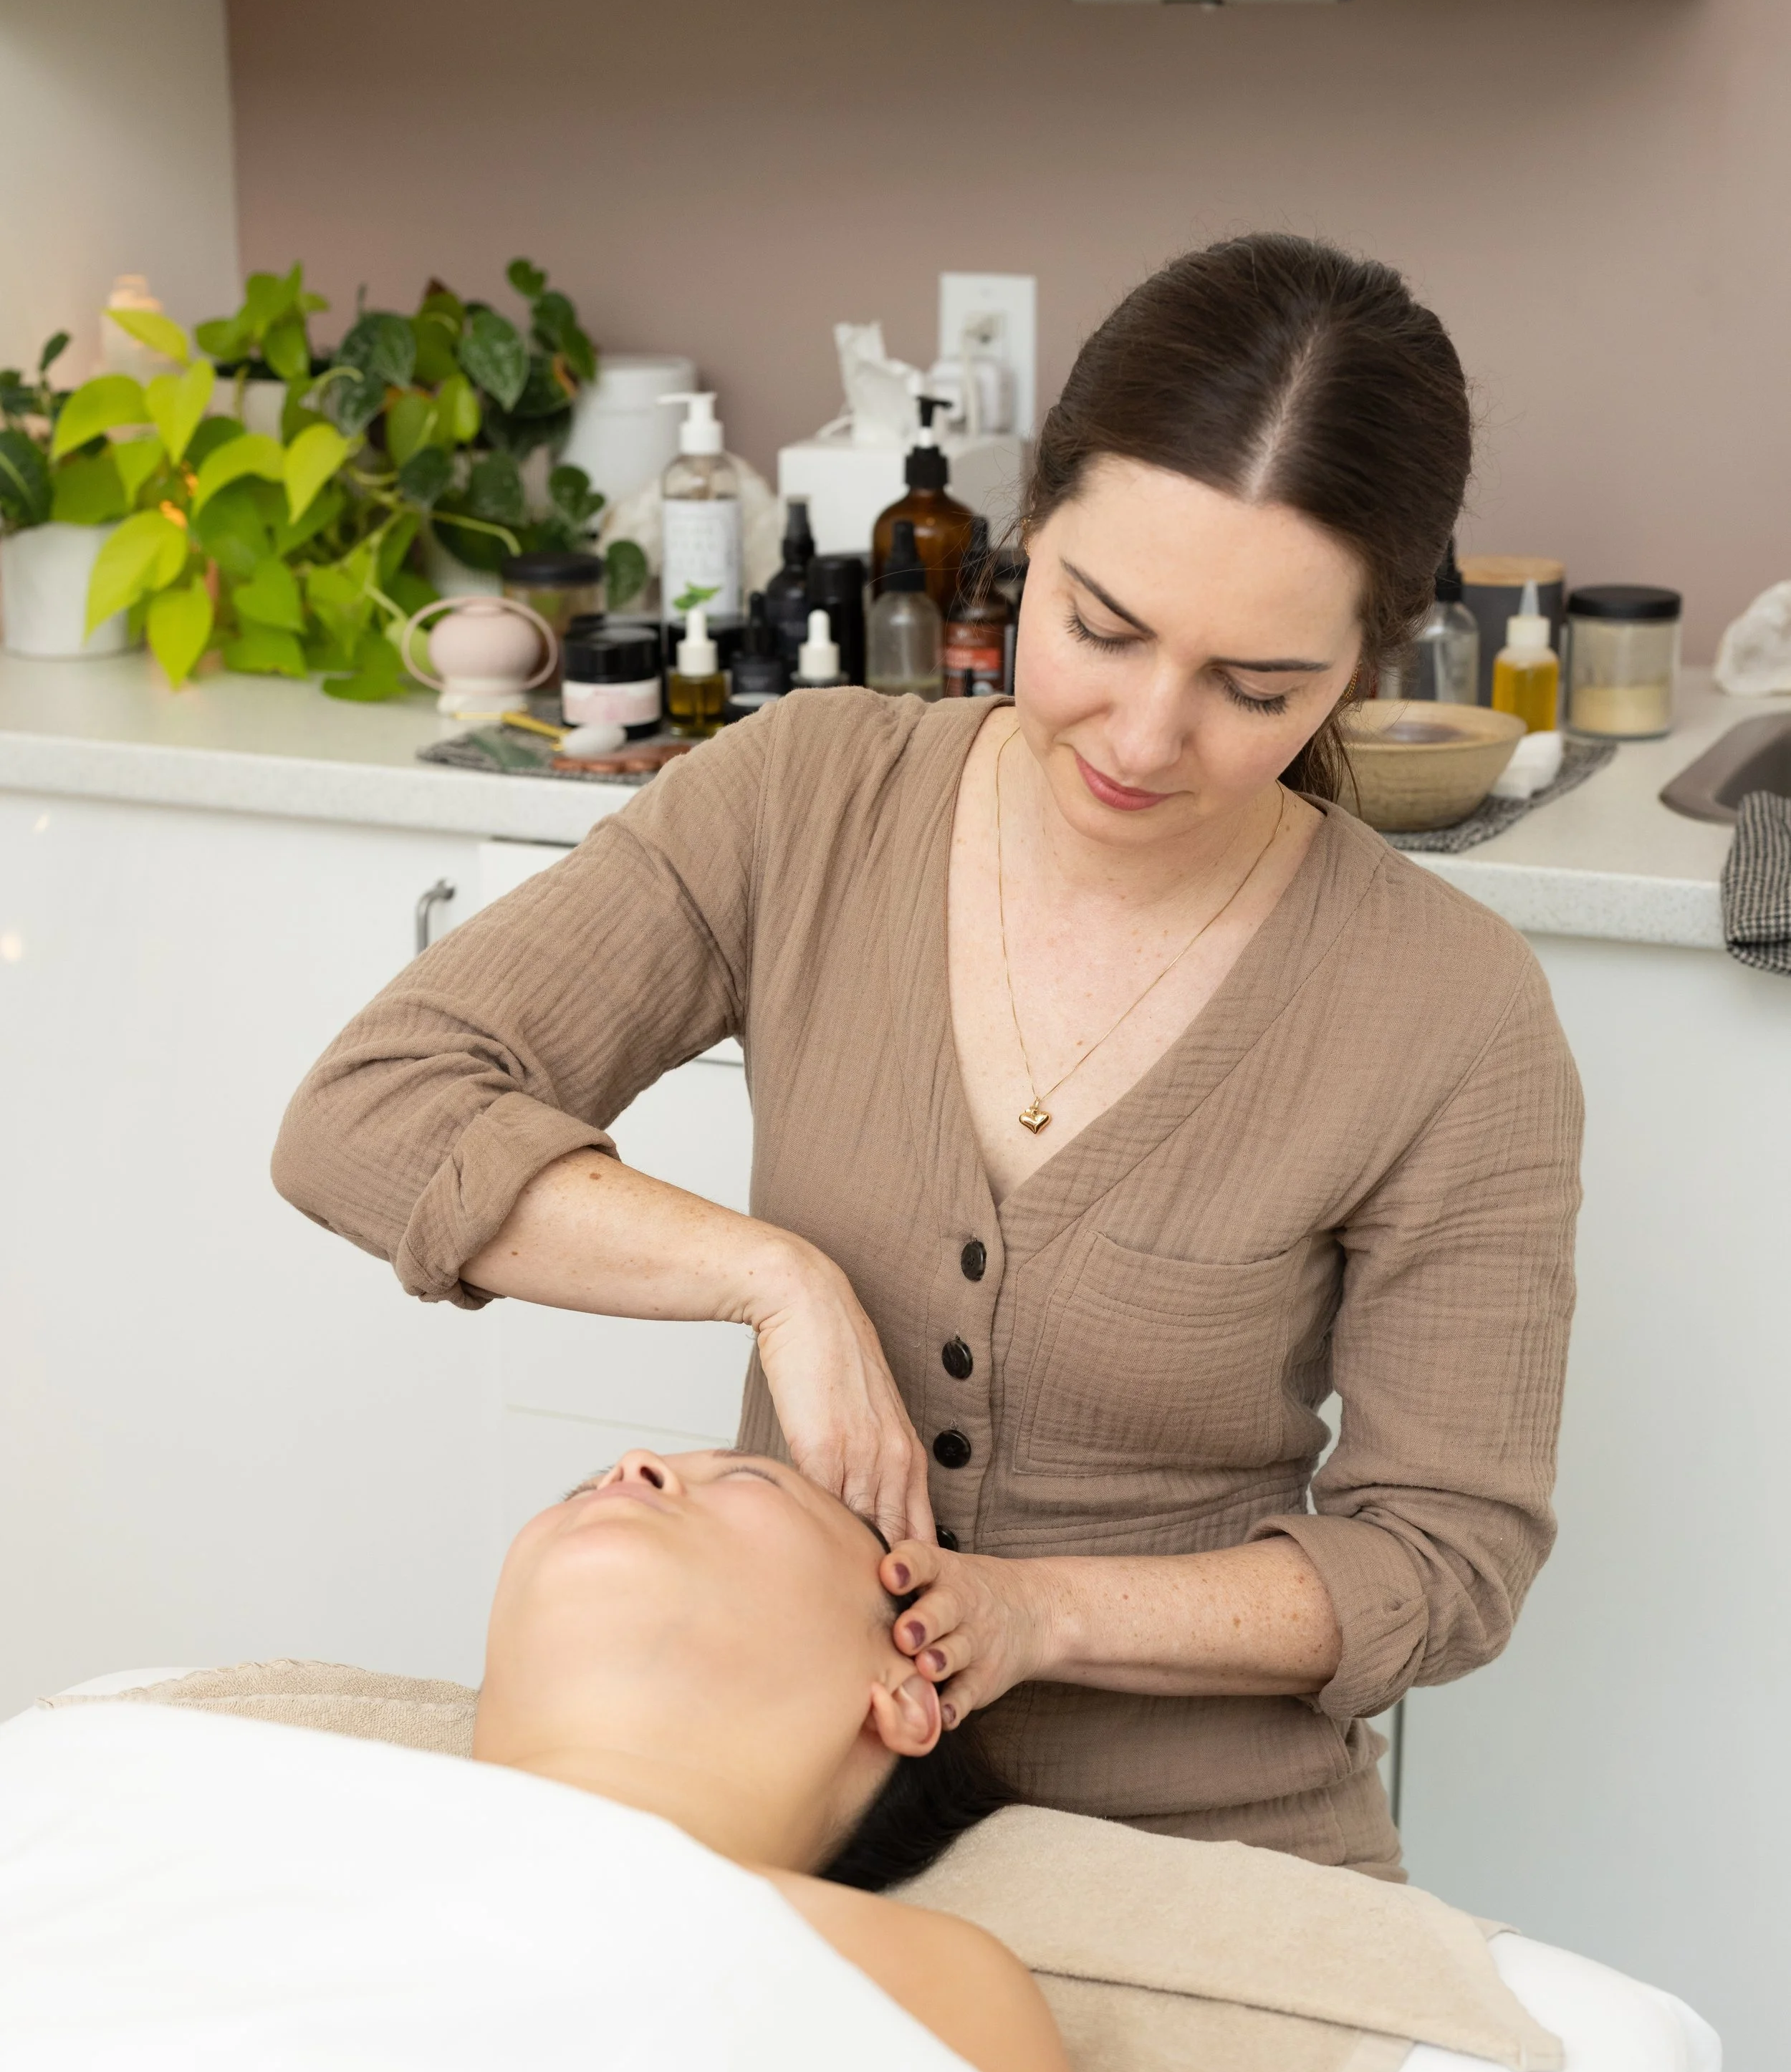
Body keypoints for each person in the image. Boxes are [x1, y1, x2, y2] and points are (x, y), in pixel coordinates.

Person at [274, 232, 1582, 1879]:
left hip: (1202, 1841)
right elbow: (368, 1115)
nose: (1145, 734)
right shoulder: (805, 797)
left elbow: (1446, 1560)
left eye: (1255, 686)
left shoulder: (1448, 1010)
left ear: (1368, 666)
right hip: (765, 1797)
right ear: (1029, 534)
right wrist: (771, 1277)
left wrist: (1037, 1614)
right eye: (1101, 628)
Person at [474, 1440, 1103, 2072]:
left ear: (907, 1689)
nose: (629, 1466)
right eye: (581, 1486)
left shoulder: (914, 1978)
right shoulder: (305, 1803)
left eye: (744, 1475)